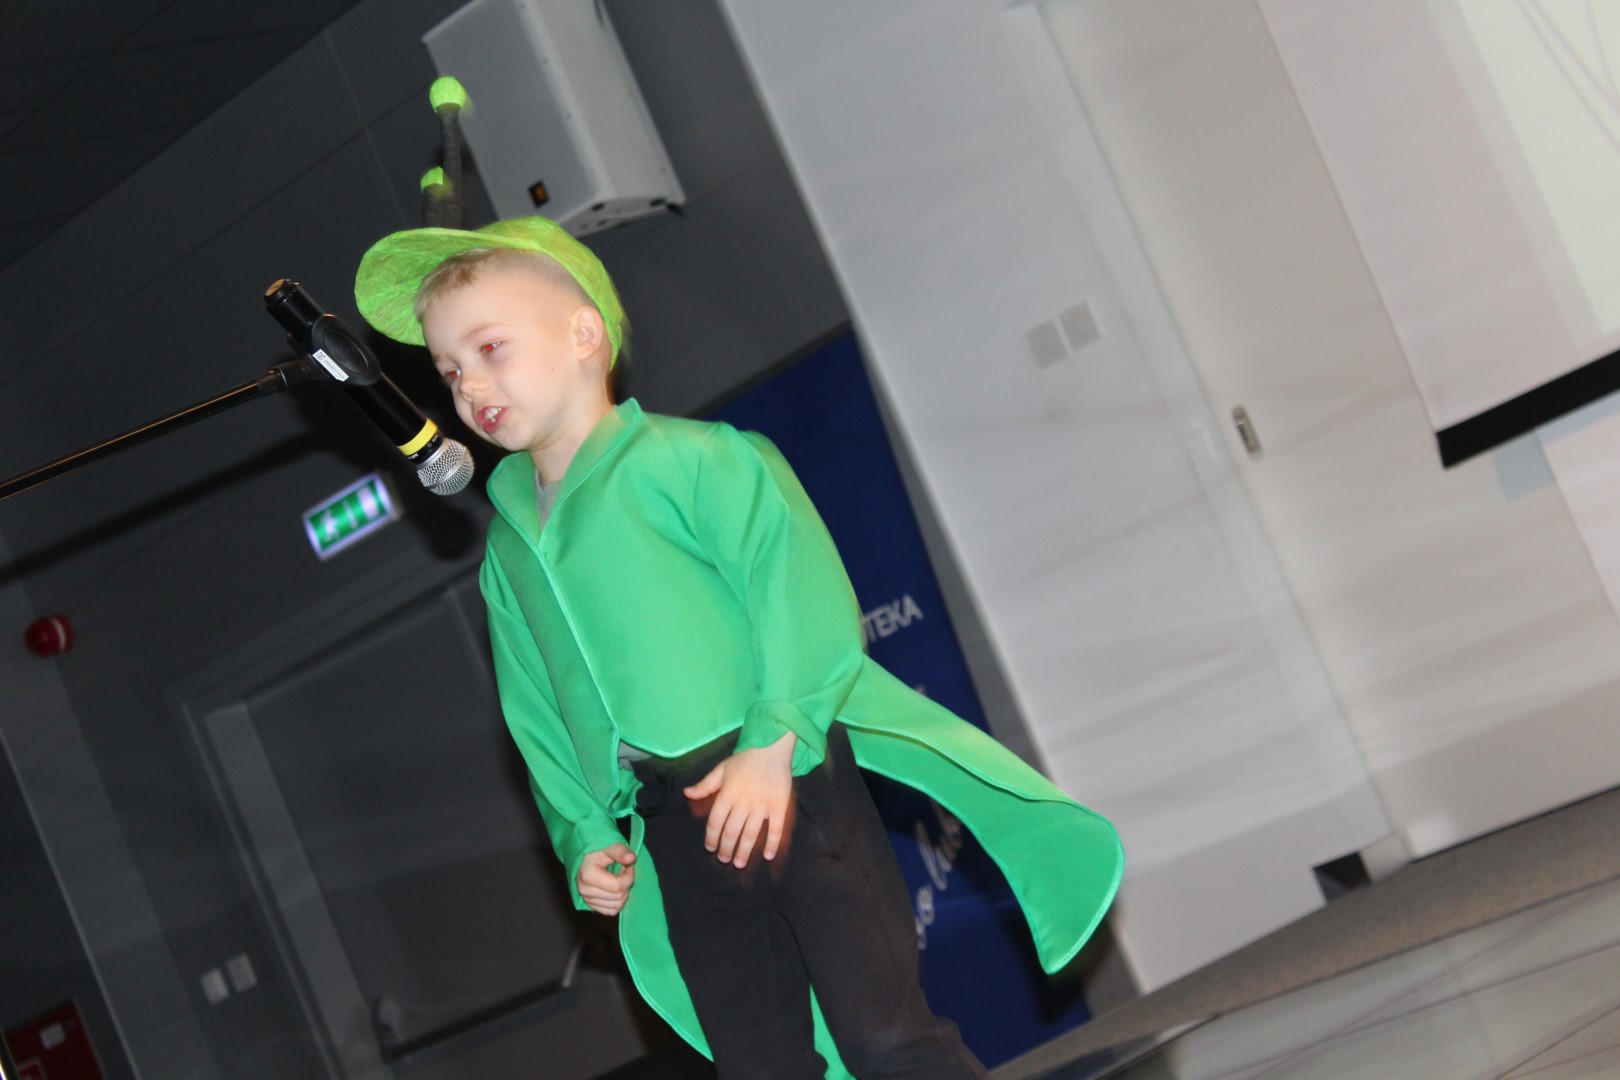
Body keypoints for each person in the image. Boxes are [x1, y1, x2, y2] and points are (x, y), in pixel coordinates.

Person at [354, 216, 1123, 1079]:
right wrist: (582, 832)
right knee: (759, 1065)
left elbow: (797, 594)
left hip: (789, 783)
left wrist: (771, 742)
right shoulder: (508, 549)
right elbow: (534, 709)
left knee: (886, 1038)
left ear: (583, 335)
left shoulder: (694, 459)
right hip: (671, 824)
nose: (468, 386)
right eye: (449, 371)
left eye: (490, 347)